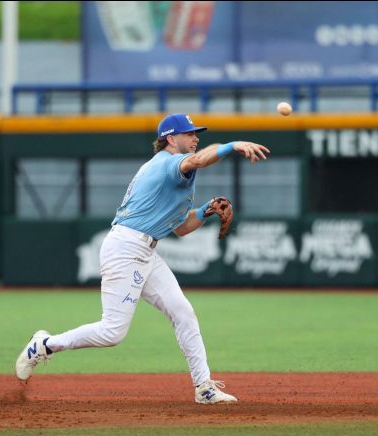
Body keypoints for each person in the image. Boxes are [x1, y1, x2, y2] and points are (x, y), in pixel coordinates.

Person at [14, 113, 270, 404]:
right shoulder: (167, 163)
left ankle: (204, 387)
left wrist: (205, 211)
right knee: (112, 332)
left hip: (145, 250)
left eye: (196, 134)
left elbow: (181, 228)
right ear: (172, 139)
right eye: (190, 134)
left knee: (183, 312)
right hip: (126, 248)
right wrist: (232, 145)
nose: (196, 138)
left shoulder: (173, 171)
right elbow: (200, 160)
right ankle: (44, 346)